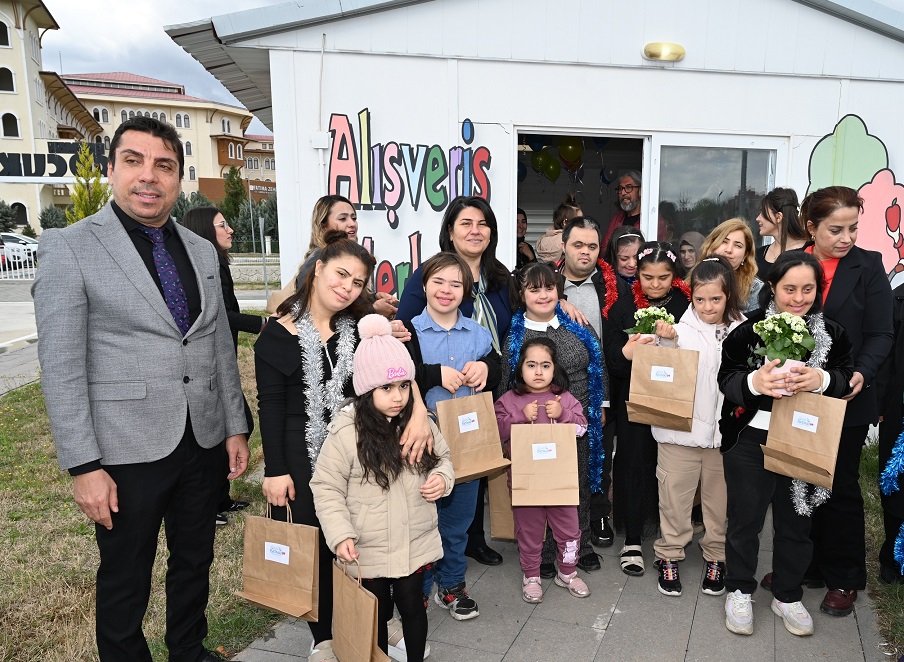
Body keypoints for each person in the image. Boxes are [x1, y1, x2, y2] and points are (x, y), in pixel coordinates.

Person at [33, 116, 250, 662]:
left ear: (179, 178)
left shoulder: (201, 251)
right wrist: (83, 466)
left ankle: (189, 651)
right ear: (111, 169)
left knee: (194, 560)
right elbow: (60, 366)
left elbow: (218, 344)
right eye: (134, 161)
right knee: (127, 575)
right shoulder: (71, 248)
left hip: (200, 440)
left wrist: (234, 426)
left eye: (164, 166)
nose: (149, 177)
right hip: (124, 449)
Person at [255, 231, 431, 659]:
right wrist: (275, 470)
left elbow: (402, 375)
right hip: (301, 457)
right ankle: (324, 637)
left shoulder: (364, 332)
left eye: (357, 282)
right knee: (317, 545)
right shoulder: (275, 337)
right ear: (317, 270)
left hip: (366, 453)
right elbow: (271, 409)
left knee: (368, 543)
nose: (347, 287)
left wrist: (421, 412)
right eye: (341, 274)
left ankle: (375, 624)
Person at [719, 251, 854, 637]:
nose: (798, 298)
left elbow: (845, 375)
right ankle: (740, 590)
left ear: (818, 290)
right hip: (750, 440)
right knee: (744, 521)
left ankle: (788, 595)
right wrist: (753, 384)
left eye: (808, 289)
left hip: (803, 440)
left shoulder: (833, 333)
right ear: (772, 289)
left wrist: (822, 380)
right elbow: (726, 378)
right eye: (789, 289)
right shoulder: (748, 331)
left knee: (797, 522)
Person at [311, 314, 454, 662]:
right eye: (386, 388)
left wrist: (441, 479)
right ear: (365, 390)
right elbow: (326, 486)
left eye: (404, 386)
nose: (398, 397)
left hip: (412, 544)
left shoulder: (421, 424)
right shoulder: (346, 432)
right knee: (374, 613)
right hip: (367, 547)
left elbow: (444, 459)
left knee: (413, 610)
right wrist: (340, 533)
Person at [397, 195, 515, 567]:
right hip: (431, 405)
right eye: (465, 223)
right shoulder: (425, 276)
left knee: (472, 466)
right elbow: (405, 344)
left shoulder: (500, 276)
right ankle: (428, 568)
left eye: (482, 223)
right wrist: (432, 374)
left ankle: (468, 545)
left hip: (481, 390)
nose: (475, 230)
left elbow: (526, 309)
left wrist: (489, 368)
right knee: (432, 487)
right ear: (450, 230)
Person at [793, 186, 893, 617]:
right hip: (797, 393)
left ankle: (845, 577)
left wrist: (861, 372)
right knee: (798, 480)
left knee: (841, 487)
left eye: (853, 228)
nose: (847, 237)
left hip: (847, 396)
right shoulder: (795, 261)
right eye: (836, 229)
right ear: (811, 227)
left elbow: (881, 333)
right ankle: (806, 565)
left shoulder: (868, 266)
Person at [402, 251, 502, 621]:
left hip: (468, 445)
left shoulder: (477, 332)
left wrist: (486, 368)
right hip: (421, 444)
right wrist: (433, 374)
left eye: (456, 284)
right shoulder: (408, 330)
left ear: (467, 291)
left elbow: (500, 368)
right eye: (438, 282)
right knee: (422, 520)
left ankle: (453, 584)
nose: (446, 290)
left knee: (459, 520)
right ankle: (418, 590)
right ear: (424, 285)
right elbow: (399, 379)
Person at [503, 262, 609, 576]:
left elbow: (598, 361)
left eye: (549, 288)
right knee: (542, 485)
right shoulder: (516, 335)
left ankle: (582, 544)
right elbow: (506, 386)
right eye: (534, 289)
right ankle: (546, 549)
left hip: (578, 417)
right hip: (535, 423)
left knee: (578, 480)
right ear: (522, 294)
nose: (543, 295)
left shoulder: (576, 321)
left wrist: (601, 405)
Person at [649, 256, 744, 598]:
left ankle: (716, 556)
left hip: (724, 439)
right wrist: (665, 343)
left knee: (720, 502)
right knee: (674, 498)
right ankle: (670, 554)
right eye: (700, 299)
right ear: (691, 297)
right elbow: (661, 377)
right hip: (679, 434)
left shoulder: (743, 330)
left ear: (729, 296)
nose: (707, 306)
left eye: (716, 299)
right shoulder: (676, 330)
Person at [604, 241, 691, 577]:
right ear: (636, 274)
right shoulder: (623, 307)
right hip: (633, 401)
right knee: (632, 462)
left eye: (663, 278)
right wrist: (627, 351)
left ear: (674, 276)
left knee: (671, 466)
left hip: (672, 400)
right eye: (648, 277)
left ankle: (670, 536)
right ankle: (633, 539)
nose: (655, 284)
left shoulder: (686, 305)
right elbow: (612, 356)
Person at [181, 206, 263, 524]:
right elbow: (219, 315)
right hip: (206, 367)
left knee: (238, 424)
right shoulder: (202, 267)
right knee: (223, 430)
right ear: (204, 231)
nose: (230, 230)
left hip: (223, 363)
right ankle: (210, 503)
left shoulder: (218, 263)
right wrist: (263, 325)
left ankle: (221, 498)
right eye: (222, 225)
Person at [495, 337, 591, 602]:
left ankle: (568, 573)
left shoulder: (565, 399)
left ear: (555, 368)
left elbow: (582, 430)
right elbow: (494, 434)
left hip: (561, 483)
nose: (538, 372)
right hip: (526, 484)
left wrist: (564, 415)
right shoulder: (509, 400)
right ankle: (532, 575)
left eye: (545, 365)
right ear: (520, 368)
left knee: (570, 531)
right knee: (529, 533)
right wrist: (518, 417)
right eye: (531, 365)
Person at [553, 216, 622, 547]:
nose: (585, 252)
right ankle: (560, 522)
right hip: (554, 389)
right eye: (577, 245)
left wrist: (605, 400)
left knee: (599, 455)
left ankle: (598, 515)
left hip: (599, 390)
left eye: (592, 246)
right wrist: (555, 298)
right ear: (563, 245)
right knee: (560, 459)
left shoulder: (612, 286)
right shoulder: (546, 285)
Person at [266, 195, 398, 318]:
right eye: (342, 219)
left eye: (354, 218)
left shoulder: (350, 257)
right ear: (323, 225)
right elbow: (320, 313)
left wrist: (373, 297)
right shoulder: (319, 258)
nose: (352, 224)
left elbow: (350, 302)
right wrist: (373, 310)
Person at [877, 282, 904, 585]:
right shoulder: (899, 297)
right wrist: (881, 403)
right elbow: (885, 358)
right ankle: (893, 557)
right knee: (895, 481)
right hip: (899, 411)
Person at [697, 218, 763, 312]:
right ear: (712, 244)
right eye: (724, 241)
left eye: (738, 245)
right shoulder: (694, 278)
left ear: (745, 255)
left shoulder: (755, 290)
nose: (729, 250)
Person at [601, 172, 668, 247]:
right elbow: (605, 248)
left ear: (640, 191)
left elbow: (658, 251)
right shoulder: (617, 217)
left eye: (629, 187)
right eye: (620, 188)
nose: (623, 193)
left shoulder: (654, 220)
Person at [755, 187, 807, 279]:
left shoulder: (809, 251)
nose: (758, 218)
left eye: (763, 213)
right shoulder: (759, 254)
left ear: (778, 217)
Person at [535, 193, 582, 264]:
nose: (582, 224)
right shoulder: (569, 240)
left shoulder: (544, 240)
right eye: (578, 221)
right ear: (565, 222)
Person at [605, 226, 645, 291]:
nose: (632, 264)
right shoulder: (602, 282)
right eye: (624, 259)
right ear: (613, 257)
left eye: (636, 257)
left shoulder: (650, 281)